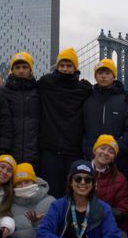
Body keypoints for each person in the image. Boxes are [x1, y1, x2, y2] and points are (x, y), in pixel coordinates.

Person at [30, 160, 125, 238]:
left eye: (88, 179)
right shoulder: (58, 205)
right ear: (70, 182)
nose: (82, 183)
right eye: (78, 178)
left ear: (93, 184)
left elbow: (113, 237)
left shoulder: (103, 208)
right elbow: (43, 233)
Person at [36, 48, 93, 196]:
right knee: (50, 196)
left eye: (69, 66)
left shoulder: (83, 89)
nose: (65, 69)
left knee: (74, 194)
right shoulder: (46, 83)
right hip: (50, 151)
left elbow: (102, 94)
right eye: (62, 65)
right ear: (57, 67)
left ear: (75, 68)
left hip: (73, 151)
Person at [81, 58, 128, 178]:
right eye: (100, 73)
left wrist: (114, 149)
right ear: (95, 76)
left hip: (120, 162)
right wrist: (89, 150)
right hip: (92, 161)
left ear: (114, 76)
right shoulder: (87, 100)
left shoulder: (126, 99)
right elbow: (82, 130)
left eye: (108, 73)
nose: (104, 76)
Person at [0, 162, 55, 238]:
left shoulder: (51, 202)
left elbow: (57, 233)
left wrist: (37, 224)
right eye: (19, 184)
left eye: (27, 182)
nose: (24, 186)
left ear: (34, 182)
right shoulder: (10, 206)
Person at [2, 51, 40, 166]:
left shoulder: (39, 92)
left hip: (35, 154)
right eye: (17, 67)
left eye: (25, 67)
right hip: (10, 154)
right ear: (12, 70)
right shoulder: (3, 92)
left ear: (30, 70)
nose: (21, 70)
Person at [90, 135, 128, 233]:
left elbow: (123, 209)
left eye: (111, 151)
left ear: (113, 158)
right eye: (102, 148)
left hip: (109, 226)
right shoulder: (81, 171)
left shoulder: (120, 179)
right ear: (94, 150)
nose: (105, 153)